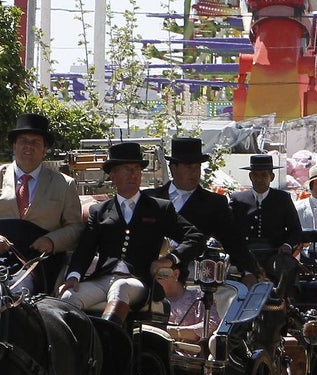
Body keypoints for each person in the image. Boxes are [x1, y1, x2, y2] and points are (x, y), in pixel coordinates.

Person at [59, 142, 206, 327]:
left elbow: (195, 237)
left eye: (137, 169)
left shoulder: (159, 208)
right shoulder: (100, 211)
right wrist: (74, 276)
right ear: (113, 175)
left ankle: (107, 338)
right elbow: (85, 249)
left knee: (120, 288)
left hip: (138, 280)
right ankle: (75, 350)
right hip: (103, 278)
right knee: (68, 296)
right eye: (127, 169)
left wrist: (169, 259)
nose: (134, 174)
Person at [0, 113, 84, 294]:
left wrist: (52, 241)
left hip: (39, 261)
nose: (29, 147)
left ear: (44, 149)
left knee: (17, 293)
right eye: (23, 141)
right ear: (14, 146)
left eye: (35, 142)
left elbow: (76, 228)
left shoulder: (64, 184)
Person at [147, 137, 263, 280]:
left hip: (193, 275)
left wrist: (250, 271)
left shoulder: (214, 203)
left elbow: (233, 241)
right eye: (189, 167)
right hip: (150, 271)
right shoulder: (150, 199)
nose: (194, 173)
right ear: (173, 168)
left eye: (197, 167)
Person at [227, 154, 303, 284]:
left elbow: (295, 231)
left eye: (264, 175)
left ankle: (288, 301)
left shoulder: (283, 199)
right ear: (250, 176)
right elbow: (228, 230)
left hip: (274, 254)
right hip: (245, 254)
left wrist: (287, 245)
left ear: (271, 177)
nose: (259, 179)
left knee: (287, 269)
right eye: (255, 175)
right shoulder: (237, 199)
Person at [156, 265, 223, 343]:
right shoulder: (150, 299)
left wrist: (175, 331)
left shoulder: (198, 297)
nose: (155, 279)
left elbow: (211, 324)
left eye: (160, 275)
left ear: (176, 274)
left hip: (185, 352)